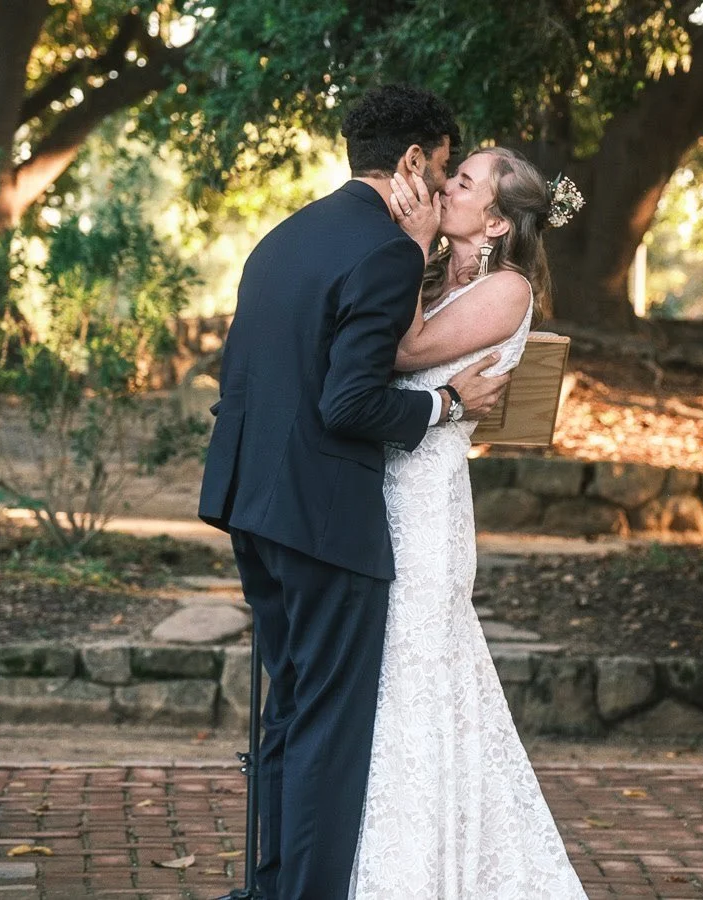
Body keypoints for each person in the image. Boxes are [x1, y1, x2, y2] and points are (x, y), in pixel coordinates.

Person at [197, 85, 511, 900]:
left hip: (251, 503)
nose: (445, 192)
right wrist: (448, 404)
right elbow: (350, 402)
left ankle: (267, 886)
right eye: (445, 172)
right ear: (413, 159)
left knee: (288, 712)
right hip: (326, 517)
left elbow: (249, 375)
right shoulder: (385, 251)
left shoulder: (284, 236)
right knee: (329, 732)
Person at [346, 147, 589, 897]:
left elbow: (404, 349)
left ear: (491, 218)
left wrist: (413, 241)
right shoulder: (433, 279)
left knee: (416, 678)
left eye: (462, 181)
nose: (441, 186)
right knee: (396, 683)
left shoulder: (509, 290)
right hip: (379, 494)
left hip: (424, 509)